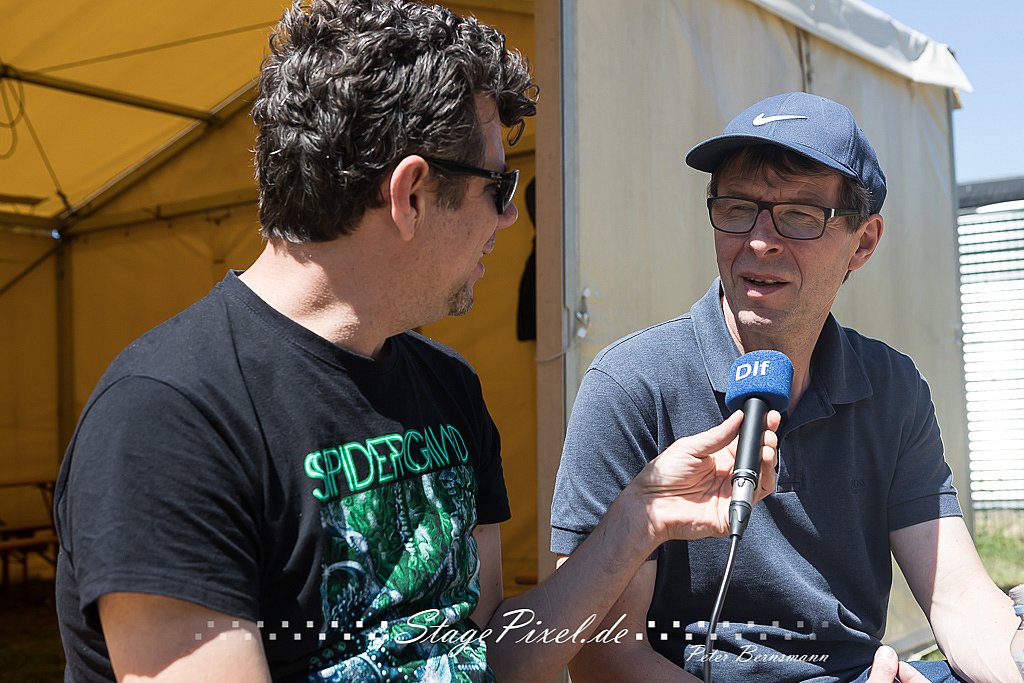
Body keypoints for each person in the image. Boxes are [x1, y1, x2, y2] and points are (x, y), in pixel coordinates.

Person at [54, 2, 787, 682]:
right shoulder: (166, 419)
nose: (508, 219)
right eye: (499, 187)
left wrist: (640, 516)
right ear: (409, 195)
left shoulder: (446, 385)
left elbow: (488, 656)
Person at [550, 91, 1019, 683]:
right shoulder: (632, 383)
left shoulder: (893, 386)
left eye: (799, 215)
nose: (760, 240)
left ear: (864, 242)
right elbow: (603, 657)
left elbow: (958, 597)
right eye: (737, 208)